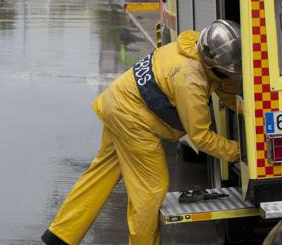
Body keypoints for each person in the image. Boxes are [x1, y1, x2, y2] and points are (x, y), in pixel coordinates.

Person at [42, 20, 243, 245]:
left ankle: (61, 234)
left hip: (116, 102)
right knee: (151, 189)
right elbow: (201, 138)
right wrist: (240, 152)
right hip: (132, 119)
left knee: (103, 171)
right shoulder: (190, 80)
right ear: (212, 63)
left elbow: (221, 83)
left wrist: (246, 106)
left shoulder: (190, 48)